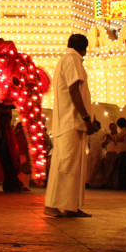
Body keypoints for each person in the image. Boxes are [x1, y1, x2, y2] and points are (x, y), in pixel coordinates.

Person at [44, 34, 96, 218]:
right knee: (65, 165)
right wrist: (86, 117)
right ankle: (53, 204)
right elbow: (74, 89)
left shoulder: (67, 59)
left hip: (71, 122)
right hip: (71, 121)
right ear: (84, 48)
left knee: (73, 166)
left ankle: (70, 206)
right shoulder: (72, 59)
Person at [112, 117, 126, 190]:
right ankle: (122, 185)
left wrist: (115, 134)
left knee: (122, 169)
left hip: (123, 151)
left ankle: (122, 185)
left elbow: (117, 139)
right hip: (124, 151)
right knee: (122, 168)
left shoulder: (124, 130)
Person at [99, 123, 117, 188]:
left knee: (111, 168)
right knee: (106, 168)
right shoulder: (107, 136)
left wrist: (111, 138)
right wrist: (107, 140)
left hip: (115, 153)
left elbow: (117, 143)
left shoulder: (118, 135)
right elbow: (102, 145)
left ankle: (106, 183)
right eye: (112, 127)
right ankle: (107, 183)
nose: (113, 129)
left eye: (114, 127)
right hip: (108, 152)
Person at [86, 120, 103, 187]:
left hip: (97, 152)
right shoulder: (91, 134)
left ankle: (90, 182)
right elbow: (88, 143)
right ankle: (87, 181)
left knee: (94, 167)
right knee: (89, 167)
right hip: (91, 152)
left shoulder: (102, 133)